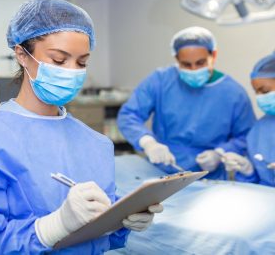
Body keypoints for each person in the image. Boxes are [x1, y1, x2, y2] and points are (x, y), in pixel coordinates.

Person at [0, 0, 163, 254]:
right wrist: (53, 226)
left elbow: (98, 236)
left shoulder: (95, 143)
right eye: (59, 60)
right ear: (22, 55)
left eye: (81, 62)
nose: (71, 71)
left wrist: (121, 222)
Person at [117, 26, 256, 179]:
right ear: (177, 59)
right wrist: (148, 142)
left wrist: (219, 153)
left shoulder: (233, 93)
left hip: (208, 177)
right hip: (161, 171)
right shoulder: (161, 81)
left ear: (213, 55)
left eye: (200, 63)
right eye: (186, 65)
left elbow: (246, 135)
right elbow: (128, 115)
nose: (194, 69)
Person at [222, 52, 275, 186]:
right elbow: (260, 184)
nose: (259, 97)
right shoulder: (261, 129)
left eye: (264, 91)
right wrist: (248, 171)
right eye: (256, 91)